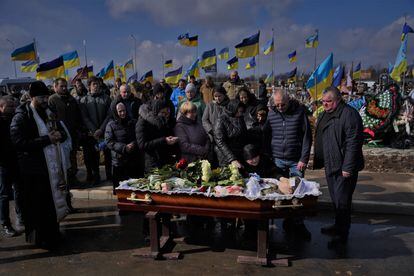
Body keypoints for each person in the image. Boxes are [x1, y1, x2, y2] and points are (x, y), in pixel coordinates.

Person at [10, 81, 71, 249]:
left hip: (49, 169)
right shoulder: (22, 115)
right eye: (41, 98)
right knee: (36, 207)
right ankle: (39, 239)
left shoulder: (49, 112)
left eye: (46, 97)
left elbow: (63, 134)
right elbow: (18, 142)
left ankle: (53, 235)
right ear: (32, 97)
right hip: (32, 170)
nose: (45, 100)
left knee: (50, 205)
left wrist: (60, 135)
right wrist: (46, 140)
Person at [314, 86, 364, 248]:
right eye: (323, 101)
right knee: (336, 200)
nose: (325, 104)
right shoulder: (325, 114)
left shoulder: (349, 115)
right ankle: (337, 226)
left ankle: (342, 235)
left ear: (338, 100)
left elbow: (353, 143)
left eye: (329, 102)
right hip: (331, 164)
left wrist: (348, 167)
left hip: (344, 166)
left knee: (343, 202)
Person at [264, 88, 312, 239]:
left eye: (282, 105)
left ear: (289, 101)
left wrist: (304, 158)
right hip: (277, 159)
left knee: (297, 192)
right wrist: (268, 157)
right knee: (280, 192)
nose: (280, 108)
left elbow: (306, 137)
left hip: (295, 161)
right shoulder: (271, 114)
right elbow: (266, 135)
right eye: (277, 105)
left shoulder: (299, 113)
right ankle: (284, 220)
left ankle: (297, 223)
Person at [48, 78, 83, 210]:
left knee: (72, 161)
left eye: (65, 86)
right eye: (61, 86)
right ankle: (63, 203)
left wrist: (79, 130)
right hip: (60, 140)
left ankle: (73, 179)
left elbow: (78, 116)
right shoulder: (52, 100)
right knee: (62, 168)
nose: (64, 88)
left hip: (72, 136)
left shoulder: (71, 99)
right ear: (55, 86)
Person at [105, 102, 144, 194]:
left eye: (124, 110)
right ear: (115, 112)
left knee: (135, 189)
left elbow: (139, 136)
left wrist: (133, 144)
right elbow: (109, 142)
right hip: (119, 162)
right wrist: (124, 147)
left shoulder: (133, 122)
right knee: (121, 192)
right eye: (120, 111)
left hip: (133, 161)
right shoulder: (111, 125)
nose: (123, 113)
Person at [79, 76, 112, 184]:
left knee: (108, 155)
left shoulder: (106, 98)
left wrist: (101, 130)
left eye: (98, 84)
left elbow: (109, 115)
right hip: (91, 134)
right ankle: (96, 176)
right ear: (89, 86)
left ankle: (109, 175)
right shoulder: (84, 100)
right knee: (94, 157)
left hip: (105, 131)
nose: (96, 86)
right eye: (94, 84)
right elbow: (85, 117)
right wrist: (94, 131)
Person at [136, 99, 179, 172]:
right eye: (163, 113)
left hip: (167, 162)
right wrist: (164, 140)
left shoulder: (167, 121)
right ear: (156, 112)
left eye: (168, 112)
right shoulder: (143, 123)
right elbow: (142, 145)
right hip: (153, 163)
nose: (166, 115)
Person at [0, 96, 22, 237]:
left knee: (19, 190)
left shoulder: (15, 119)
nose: (13, 109)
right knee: (4, 195)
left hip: (17, 161)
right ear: (1, 107)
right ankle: (5, 223)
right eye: (10, 107)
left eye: (14, 106)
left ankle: (21, 217)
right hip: (3, 164)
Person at [214, 99, 248, 167]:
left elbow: (244, 136)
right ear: (233, 110)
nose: (240, 113)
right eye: (239, 111)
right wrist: (232, 159)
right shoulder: (221, 120)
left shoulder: (240, 118)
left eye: (241, 111)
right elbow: (220, 141)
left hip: (239, 153)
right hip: (226, 156)